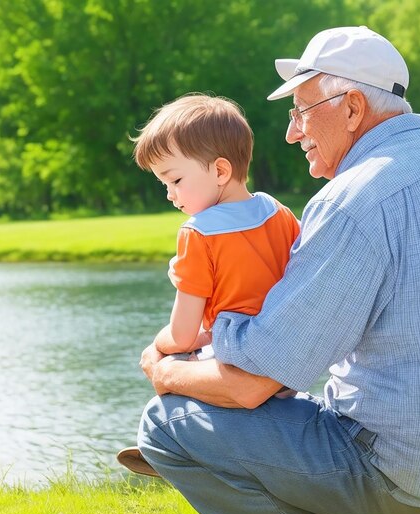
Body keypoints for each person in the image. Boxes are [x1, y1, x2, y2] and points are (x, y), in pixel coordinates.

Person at [132, 26, 420, 514]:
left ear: (352, 107)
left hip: (410, 484)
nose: (293, 132)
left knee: (165, 423)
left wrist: (165, 370)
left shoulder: (352, 200)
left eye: (301, 111)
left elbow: (253, 383)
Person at [117, 94, 300, 475]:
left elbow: (183, 334)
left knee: (171, 363)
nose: (170, 194)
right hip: (285, 362)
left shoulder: (198, 234)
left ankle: (180, 450)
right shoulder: (278, 212)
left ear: (220, 171)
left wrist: (158, 346)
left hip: (232, 362)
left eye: (175, 180)